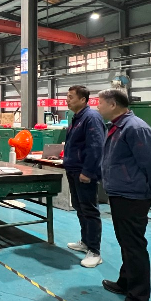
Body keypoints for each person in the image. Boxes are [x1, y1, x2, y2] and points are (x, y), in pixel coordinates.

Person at [96, 88, 151, 301]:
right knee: (126, 242)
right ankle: (125, 282)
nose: (98, 107)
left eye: (100, 103)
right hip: (120, 192)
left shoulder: (135, 128)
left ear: (113, 104)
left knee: (134, 246)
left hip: (133, 196)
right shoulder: (117, 126)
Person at [63, 85, 106, 268]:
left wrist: (88, 172)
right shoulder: (77, 117)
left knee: (89, 210)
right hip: (74, 170)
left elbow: (96, 147)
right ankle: (86, 242)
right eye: (67, 96)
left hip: (84, 172)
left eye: (71, 97)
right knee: (79, 207)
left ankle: (95, 251)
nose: (67, 99)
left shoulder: (91, 117)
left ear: (83, 100)